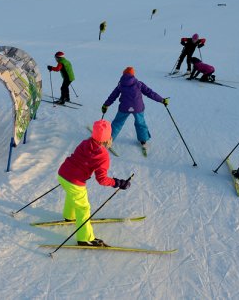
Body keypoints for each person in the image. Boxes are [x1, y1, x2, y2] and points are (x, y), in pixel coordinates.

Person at [57, 119, 131, 247]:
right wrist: (118, 183)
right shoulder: (103, 155)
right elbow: (101, 179)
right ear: (108, 139)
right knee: (83, 208)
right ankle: (85, 238)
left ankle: (69, 216)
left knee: (72, 195)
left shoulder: (85, 142)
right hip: (75, 182)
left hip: (62, 174)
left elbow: (80, 159)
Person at [102, 67, 169, 151]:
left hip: (125, 107)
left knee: (117, 123)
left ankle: (108, 140)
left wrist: (106, 105)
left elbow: (113, 96)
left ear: (123, 74)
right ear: (133, 75)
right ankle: (143, 140)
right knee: (140, 123)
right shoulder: (139, 84)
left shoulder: (121, 85)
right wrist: (161, 100)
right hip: (137, 107)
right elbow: (150, 93)